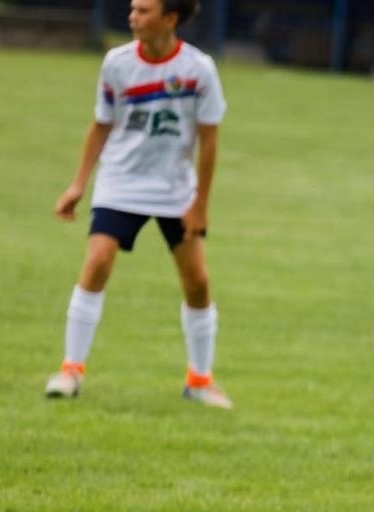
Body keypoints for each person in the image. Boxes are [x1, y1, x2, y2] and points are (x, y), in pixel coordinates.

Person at [45, 0, 231, 408]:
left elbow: (209, 142)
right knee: (98, 262)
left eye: (144, 10)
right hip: (121, 181)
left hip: (175, 189)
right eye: (133, 9)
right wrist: (78, 185)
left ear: (171, 19)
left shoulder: (199, 70)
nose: (133, 17)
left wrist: (200, 204)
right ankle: (70, 370)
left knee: (198, 282)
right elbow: (101, 124)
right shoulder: (117, 63)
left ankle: (200, 381)